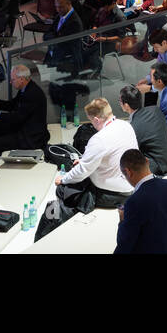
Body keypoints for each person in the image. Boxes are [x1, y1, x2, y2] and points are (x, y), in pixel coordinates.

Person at [44, 98, 137, 232]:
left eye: (91, 121)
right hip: (130, 186)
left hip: (111, 194)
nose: (92, 125)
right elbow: (113, 155)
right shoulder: (126, 125)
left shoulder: (99, 139)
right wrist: (85, 160)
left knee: (62, 189)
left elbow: (82, 171)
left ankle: (59, 228)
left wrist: (63, 179)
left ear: (97, 120)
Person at [0, 65, 49, 178]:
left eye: (13, 79)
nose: (10, 82)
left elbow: (17, 117)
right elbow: (12, 105)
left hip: (30, 137)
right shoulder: (26, 88)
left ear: (22, 79)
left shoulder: (32, 94)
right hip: (24, 126)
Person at [114, 149, 167, 254]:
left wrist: (122, 219)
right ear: (147, 161)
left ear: (128, 172)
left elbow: (124, 244)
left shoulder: (133, 202)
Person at [120, 84, 167, 176]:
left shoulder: (132, 128)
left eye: (120, 101)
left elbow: (132, 152)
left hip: (158, 165)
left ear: (126, 105)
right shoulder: (155, 110)